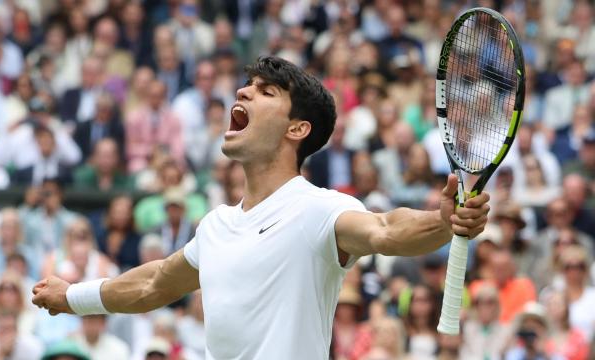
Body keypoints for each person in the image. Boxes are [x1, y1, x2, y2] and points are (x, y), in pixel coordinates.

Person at [32, 56, 490, 358]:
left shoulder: (319, 210)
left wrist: (441, 221)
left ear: (297, 129)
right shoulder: (215, 227)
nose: (243, 93)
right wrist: (71, 297)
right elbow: (152, 283)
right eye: (247, 86)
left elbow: (386, 230)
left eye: (266, 92)